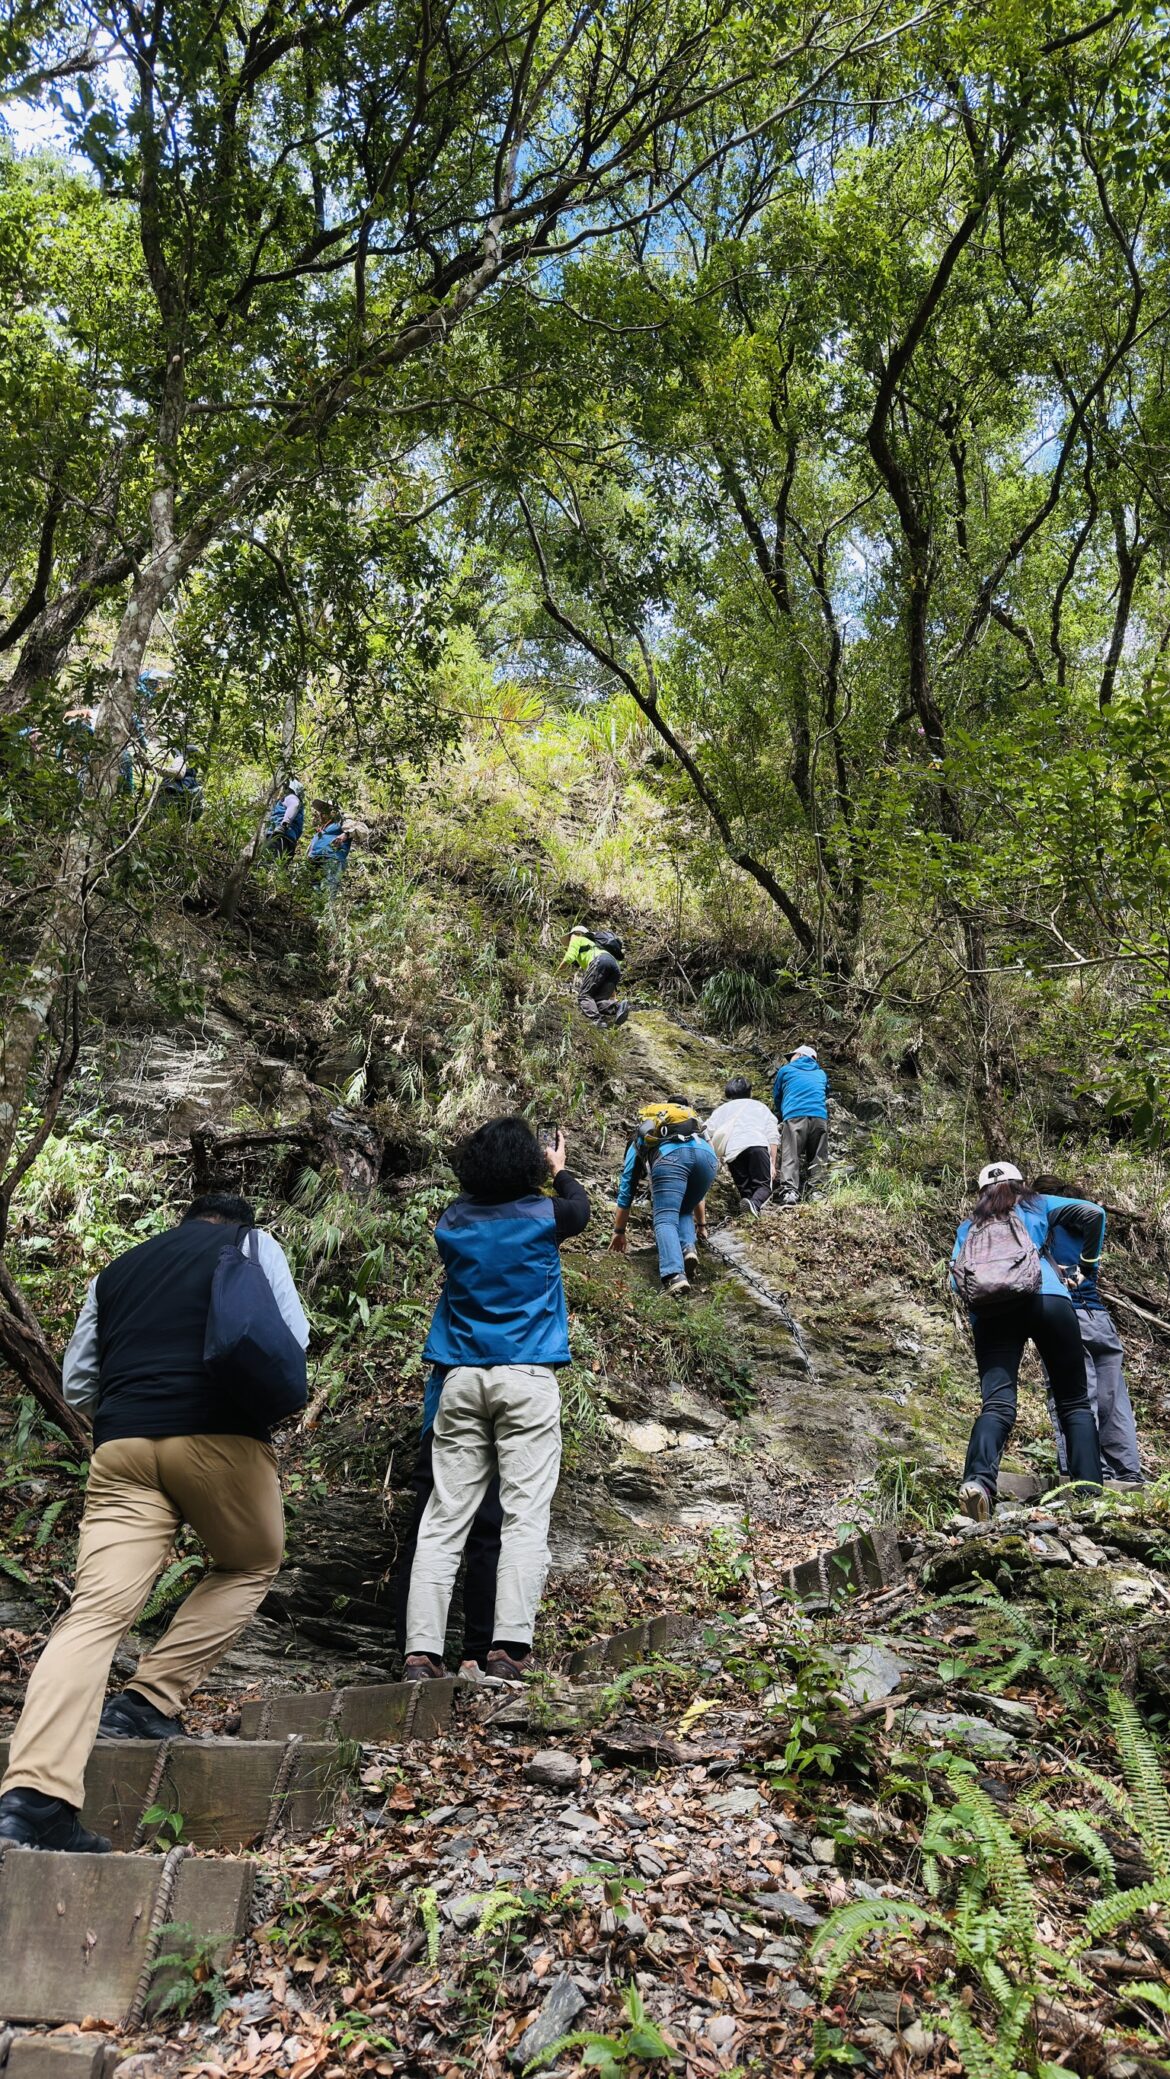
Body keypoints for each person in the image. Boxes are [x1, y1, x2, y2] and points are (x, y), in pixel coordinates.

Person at [0, 1192, 309, 1853]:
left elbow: (80, 1382)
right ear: (236, 1219)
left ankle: (32, 1799)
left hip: (123, 1449)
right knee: (252, 1560)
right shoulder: (252, 1245)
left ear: (187, 1220)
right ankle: (148, 1699)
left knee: (93, 1614)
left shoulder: (118, 1270)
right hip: (219, 1438)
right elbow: (290, 1341)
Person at [402, 1117, 589, 1683]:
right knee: (524, 1513)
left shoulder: (451, 1222)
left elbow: (477, 1200)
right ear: (530, 1166)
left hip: (461, 1379)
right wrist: (559, 1169)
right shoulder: (547, 1216)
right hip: (526, 1377)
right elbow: (577, 1205)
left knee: (443, 1518)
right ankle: (508, 1648)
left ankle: (421, 1653)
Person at [950, 1162, 1103, 1522]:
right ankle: (1090, 1496)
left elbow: (958, 1280)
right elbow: (1093, 1214)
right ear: (1020, 1184)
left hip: (992, 1314)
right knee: (1074, 1404)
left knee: (997, 1404)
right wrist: (1088, 1265)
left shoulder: (969, 1226)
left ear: (981, 1192)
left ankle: (977, 1483)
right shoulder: (1038, 1205)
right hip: (1048, 1298)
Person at [1032, 1172, 1143, 1487]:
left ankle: (1092, 1473)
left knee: (1076, 1398)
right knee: (1114, 1399)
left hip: (1065, 1317)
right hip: (1099, 1318)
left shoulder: (1042, 1228)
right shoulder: (1084, 1230)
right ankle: (1129, 1474)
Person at [393, 1384, 503, 1677]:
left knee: (426, 1532)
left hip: (445, 1411)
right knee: (488, 1536)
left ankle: (416, 1656)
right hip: (498, 1414)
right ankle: (479, 1657)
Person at [610, 1098, 719, 1295]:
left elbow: (627, 1188)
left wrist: (619, 1231)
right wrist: (702, 1225)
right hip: (708, 1158)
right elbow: (695, 1200)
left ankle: (674, 1275)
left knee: (665, 1218)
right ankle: (687, 1249)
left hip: (672, 1159)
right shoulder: (692, 1130)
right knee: (683, 1207)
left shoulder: (639, 1141)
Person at [704, 1076, 781, 1217]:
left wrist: (712, 1153)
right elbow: (772, 1135)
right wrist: (772, 1163)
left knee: (746, 1191)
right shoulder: (760, 1107)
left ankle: (749, 1217)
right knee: (764, 1186)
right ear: (749, 1091)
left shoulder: (722, 1110)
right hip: (757, 1145)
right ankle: (755, 1206)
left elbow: (705, 1131)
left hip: (733, 1152)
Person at [771, 1045, 829, 1204]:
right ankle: (818, 1192)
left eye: (793, 1055)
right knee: (818, 1156)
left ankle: (790, 1192)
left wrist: (782, 1113)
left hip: (794, 1115)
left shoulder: (786, 1070)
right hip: (819, 1117)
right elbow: (826, 1091)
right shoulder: (821, 1073)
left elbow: (777, 1095)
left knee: (791, 1154)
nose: (790, 1059)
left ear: (800, 1055)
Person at [561, 926, 629, 1027]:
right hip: (615, 967)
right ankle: (618, 1007)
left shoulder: (578, 938)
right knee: (597, 1002)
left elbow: (569, 957)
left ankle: (598, 1021)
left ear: (575, 933)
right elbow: (607, 972)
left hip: (600, 962)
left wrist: (555, 974)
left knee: (584, 996)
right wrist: (613, 997)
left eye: (570, 936)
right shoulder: (597, 946)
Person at [307, 802, 355, 895]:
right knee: (314, 892)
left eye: (325, 811)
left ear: (334, 812)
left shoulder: (342, 821)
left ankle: (329, 909)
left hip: (332, 858)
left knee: (329, 889)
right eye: (321, 811)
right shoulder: (323, 828)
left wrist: (345, 834)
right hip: (315, 861)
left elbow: (361, 828)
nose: (321, 814)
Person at [264, 779, 306, 857]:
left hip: (279, 835)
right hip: (290, 838)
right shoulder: (300, 805)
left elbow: (294, 805)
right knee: (279, 866)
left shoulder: (292, 797)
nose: (284, 790)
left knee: (269, 862)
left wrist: (284, 825)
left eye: (286, 787)